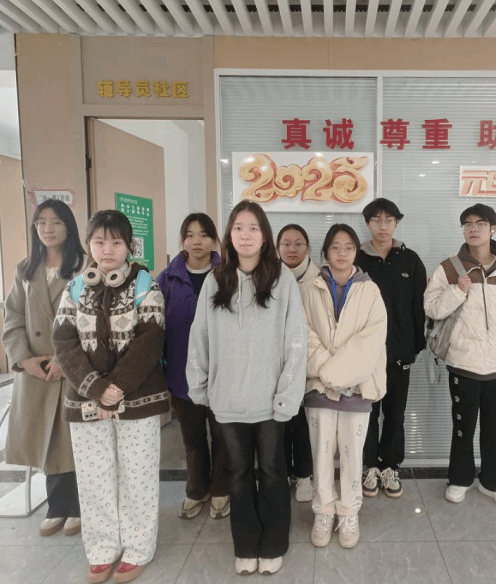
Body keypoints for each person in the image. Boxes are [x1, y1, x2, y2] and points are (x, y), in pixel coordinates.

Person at [187, 200, 307, 576]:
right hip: (228, 400)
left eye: (253, 228)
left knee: (272, 471)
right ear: (229, 235)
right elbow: (199, 337)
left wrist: (287, 394)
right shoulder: (215, 279)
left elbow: (296, 341)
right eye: (238, 227)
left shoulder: (282, 279)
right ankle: (245, 543)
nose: (245, 234)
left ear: (264, 236)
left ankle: (273, 543)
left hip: (270, 402)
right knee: (238, 474)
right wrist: (200, 387)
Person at [53, 210, 169, 584]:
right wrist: (97, 389)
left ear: (128, 245)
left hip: (137, 400)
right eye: (100, 241)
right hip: (85, 401)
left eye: (116, 242)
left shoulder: (147, 285)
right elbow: (64, 343)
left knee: (137, 476)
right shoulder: (74, 288)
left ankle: (138, 547)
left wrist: (116, 387)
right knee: (94, 478)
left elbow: (150, 341)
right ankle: (102, 548)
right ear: (88, 245)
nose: (108, 249)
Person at [423, 203, 496, 510]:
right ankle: (459, 479)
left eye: (480, 223)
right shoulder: (449, 268)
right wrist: (457, 291)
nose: (473, 229)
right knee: (463, 427)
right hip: (463, 362)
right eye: (467, 224)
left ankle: (494, 483)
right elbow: (431, 308)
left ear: (492, 228)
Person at [301, 224, 387, 549]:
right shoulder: (308, 289)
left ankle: (349, 512)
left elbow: (371, 342)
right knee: (321, 455)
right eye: (335, 247)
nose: (342, 253)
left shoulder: (370, 291)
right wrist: (327, 372)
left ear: (356, 252)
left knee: (352, 457)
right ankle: (323, 512)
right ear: (325, 252)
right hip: (318, 390)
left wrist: (334, 374)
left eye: (348, 247)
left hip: (357, 389)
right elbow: (303, 334)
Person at [3, 199, 85, 537]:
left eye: (55, 222)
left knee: (74, 440)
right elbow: (13, 316)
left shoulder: (83, 266)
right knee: (47, 441)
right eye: (41, 223)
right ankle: (58, 506)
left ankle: (79, 506)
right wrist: (23, 359)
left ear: (69, 227)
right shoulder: (25, 269)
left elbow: (93, 319)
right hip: (37, 369)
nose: (47, 229)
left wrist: (67, 360)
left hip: (72, 367)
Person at [157, 213, 230, 520]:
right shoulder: (167, 279)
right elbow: (156, 328)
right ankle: (196, 490)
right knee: (193, 438)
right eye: (190, 235)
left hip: (222, 374)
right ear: (182, 240)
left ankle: (221, 489)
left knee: (223, 436)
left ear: (214, 240)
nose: (197, 241)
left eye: (204, 235)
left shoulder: (229, 275)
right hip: (181, 373)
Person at [355, 198, 426, 499]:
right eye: (376, 220)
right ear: (367, 223)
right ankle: (370, 466)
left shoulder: (410, 260)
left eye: (388, 220)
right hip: (366, 353)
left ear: (396, 223)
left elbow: (419, 307)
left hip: (400, 351)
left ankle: (390, 466)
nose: (382, 226)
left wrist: (415, 345)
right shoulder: (357, 259)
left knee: (395, 414)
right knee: (367, 413)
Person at [277, 223, 319, 503]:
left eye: (298, 243)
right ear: (277, 248)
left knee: (304, 424)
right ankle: (281, 473)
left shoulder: (320, 278)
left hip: (309, 362)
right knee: (279, 421)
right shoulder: (268, 278)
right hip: (277, 363)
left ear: (308, 247)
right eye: (286, 244)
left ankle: (304, 476)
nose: (292, 249)